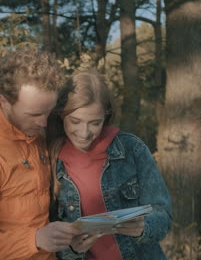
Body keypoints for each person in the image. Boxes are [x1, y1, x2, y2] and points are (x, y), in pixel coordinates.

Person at [0, 49, 92, 260]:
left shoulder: (34, 132)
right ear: (4, 101)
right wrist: (34, 240)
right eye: (34, 114)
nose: (43, 123)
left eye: (47, 112)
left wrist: (65, 237)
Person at [47, 70, 172, 260]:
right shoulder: (51, 161)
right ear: (61, 115)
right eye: (75, 121)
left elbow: (163, 216)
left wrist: (143, 228)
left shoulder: (132, 149)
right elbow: (47, 233)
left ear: (106, 117)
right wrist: (71, 249)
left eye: (95, 123)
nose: (84, 132)